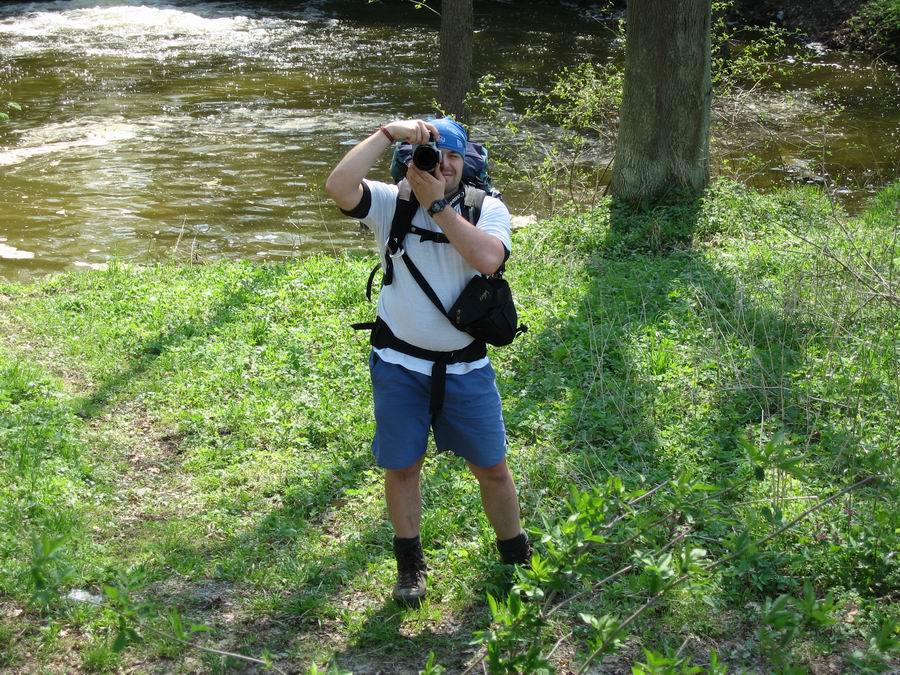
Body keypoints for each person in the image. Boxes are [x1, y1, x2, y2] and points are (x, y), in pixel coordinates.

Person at [324, 117, 530, 606]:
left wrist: (438, 205)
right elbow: (338, 187)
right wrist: (387, 134)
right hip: (399, 365)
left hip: (467, 369)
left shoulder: (486, 207)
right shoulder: (391, 203)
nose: (445, 165)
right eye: (436, 156)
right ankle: (409, 564)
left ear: (467, 162)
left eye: (454, 156)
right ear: (413, 160)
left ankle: (516, 556)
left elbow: (489, 259)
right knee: (403, 467)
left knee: (493, 468)